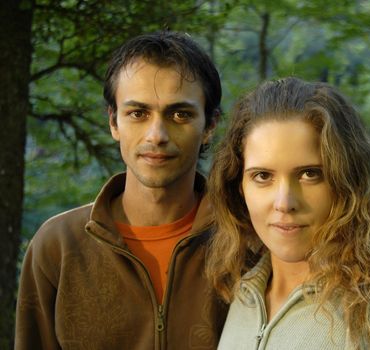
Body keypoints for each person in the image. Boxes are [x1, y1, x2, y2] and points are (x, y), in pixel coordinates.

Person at [206, 77, 370, 349]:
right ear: (239, 185)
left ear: (346, 182)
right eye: (263, 176)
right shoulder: (242, 293)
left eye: (310, 174)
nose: (284, 202)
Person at [15, 31, 227, 349]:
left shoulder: (244, 241)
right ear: (114, 122)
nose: (156, 135)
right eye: (138, 113)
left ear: (209, 126)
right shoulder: (57, 246)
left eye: (180, 114)